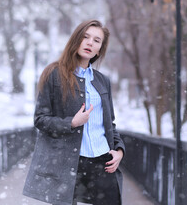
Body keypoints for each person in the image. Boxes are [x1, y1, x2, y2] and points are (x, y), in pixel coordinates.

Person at [23, 19, 125, 205]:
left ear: (99, 49)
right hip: (69, 163)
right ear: (76, 40)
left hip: (103, 162)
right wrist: (71, 123)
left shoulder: (102, 81)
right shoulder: (54, 74)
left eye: (96, 40)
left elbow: (109, 124)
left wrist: (119, 150)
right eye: (85, 37)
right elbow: (40, 120)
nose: (89, 43)